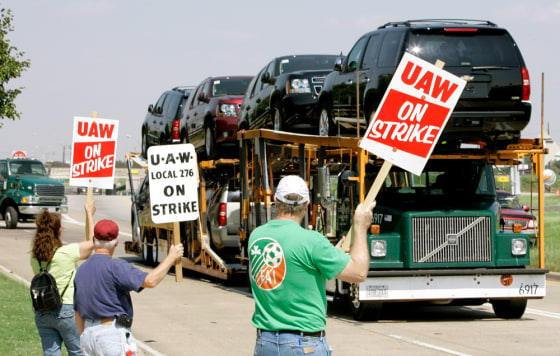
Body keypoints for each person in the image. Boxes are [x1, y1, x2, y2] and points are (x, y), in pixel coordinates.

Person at [248, 175, 375, 355]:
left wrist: (329, 256)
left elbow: (294, 267)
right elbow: (359, 273)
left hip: (265, 342)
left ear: (275, 201)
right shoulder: (313, 242)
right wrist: (360, 227)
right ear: (307, 204)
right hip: (303, 343)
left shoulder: (257, 237)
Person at [73, 214, 184, 356]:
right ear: (116, 241)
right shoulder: (115, 266)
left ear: (94, 240)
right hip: (110, 334)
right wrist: (171, 258)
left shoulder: (82, 269)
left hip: (87, 335)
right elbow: (150, 281)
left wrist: (84, 336)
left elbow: (77, 311)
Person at [30, 201, 96, 356]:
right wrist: (89, 214)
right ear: (59, 231)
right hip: (66, 310)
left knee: (51, 352)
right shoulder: (66, 252)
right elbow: (94, 242)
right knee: (77, 352)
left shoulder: (35, 257)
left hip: (42, 311)